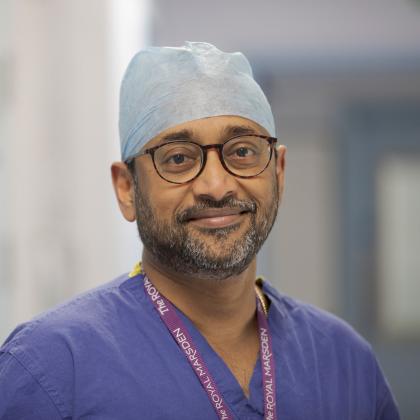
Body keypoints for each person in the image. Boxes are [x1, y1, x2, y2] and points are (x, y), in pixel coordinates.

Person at [0, 42, 399, 420]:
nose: (217, 186)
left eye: (242, 151)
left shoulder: (344, 362)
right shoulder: (51, 367)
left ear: (278, 172)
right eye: (177, 158)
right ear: (127, 189)